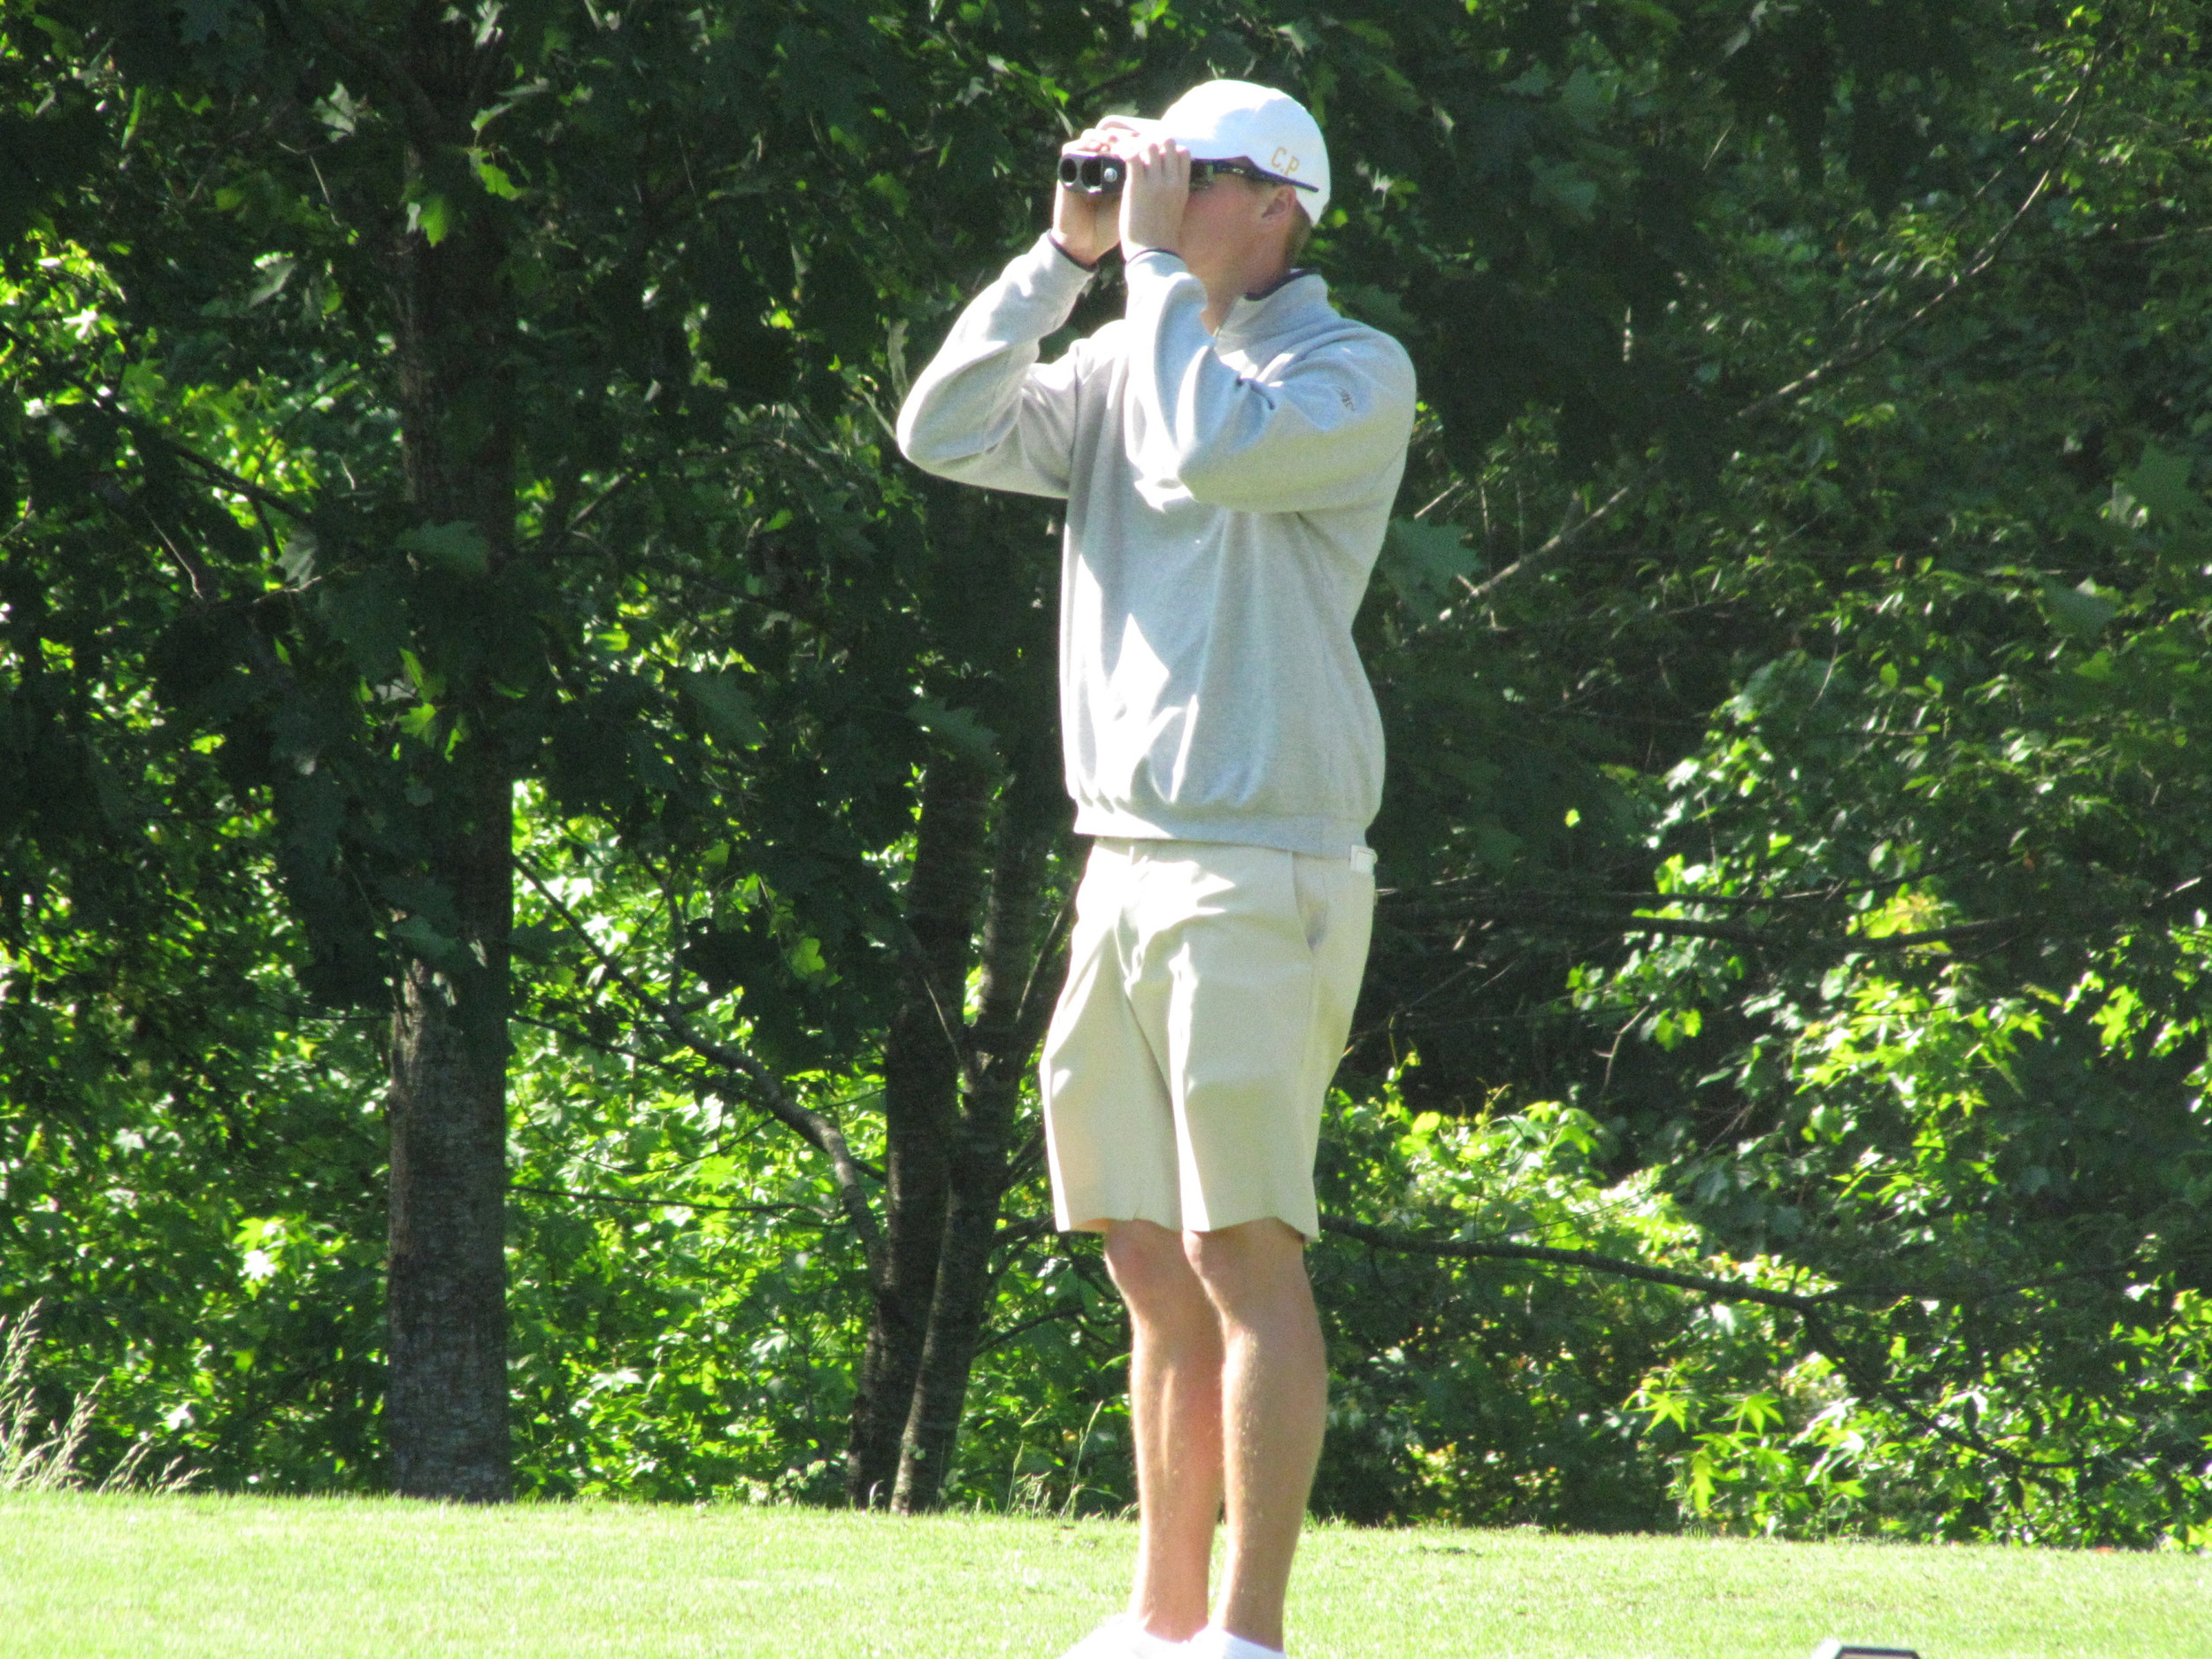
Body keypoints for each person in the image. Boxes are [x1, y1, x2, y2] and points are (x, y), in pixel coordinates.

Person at [895, 79, 1416, 1659]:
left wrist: (1144, 282)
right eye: (1154, 167)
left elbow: (1205, 454)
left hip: (1261, 862)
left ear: (1283, 206)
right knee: (1143, 1253)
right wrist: (1060, 260)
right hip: (1120, 862)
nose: (1167, 191)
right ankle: (1159, 1620)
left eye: (1201, 175)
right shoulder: (1131, 341)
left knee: (1241, 1250)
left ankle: (1247, 1638)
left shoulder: (1350, 370)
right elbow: (943, 430)